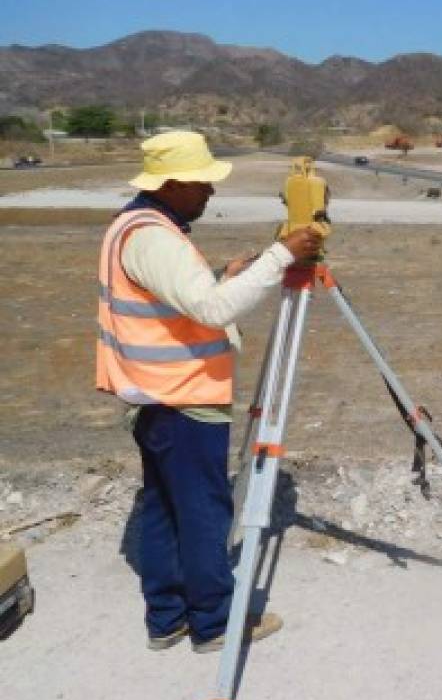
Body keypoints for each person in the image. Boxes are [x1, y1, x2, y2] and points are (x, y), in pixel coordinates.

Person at [96, 131, 321, 653]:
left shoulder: (137, 224)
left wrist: (223, 275)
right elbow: (214, 311)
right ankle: (216, 622)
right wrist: (279, 256)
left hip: (154, 396)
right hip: (182, 399)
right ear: (172, 183)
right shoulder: (151, 235)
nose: (210, 194)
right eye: (201, 184)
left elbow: (175, 300)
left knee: (164, 508)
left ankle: (167, 617)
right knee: (202, 512)